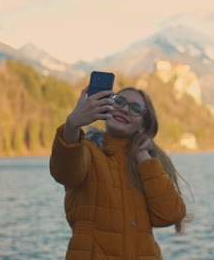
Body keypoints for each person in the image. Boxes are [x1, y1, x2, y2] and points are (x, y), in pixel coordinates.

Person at [50, 85, 188, 259]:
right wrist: (72, 126)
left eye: (136, 108)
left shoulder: (146, 164)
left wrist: (142, 155)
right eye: (119, 101)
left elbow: (170, 215)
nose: (124, 109)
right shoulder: (85, 150)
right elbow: (65, 173)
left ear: (142, 126)